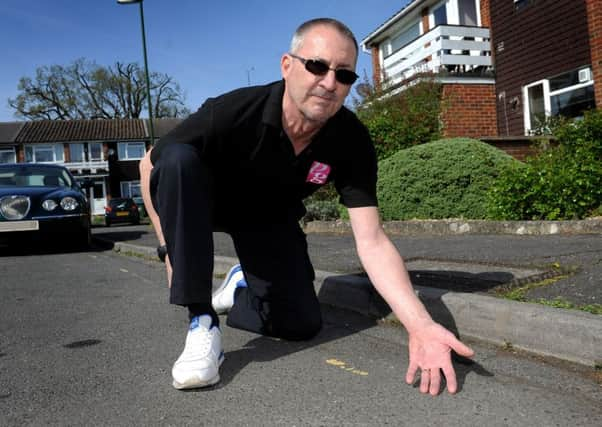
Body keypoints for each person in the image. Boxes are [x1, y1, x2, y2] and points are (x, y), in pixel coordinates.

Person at [139, 17, 474, 395]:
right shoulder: (232, 112)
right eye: (316, 66)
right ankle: (201, 321)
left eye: (344, 75)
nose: (329, 83)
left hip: (269, 219)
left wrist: (421, 325)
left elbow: (372, 239)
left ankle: (240, 289)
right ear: (287, 66)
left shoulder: (350, 140)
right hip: (206, 203)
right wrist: (169, 251)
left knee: (300, 324)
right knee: (178, 158)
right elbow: (150, 164)